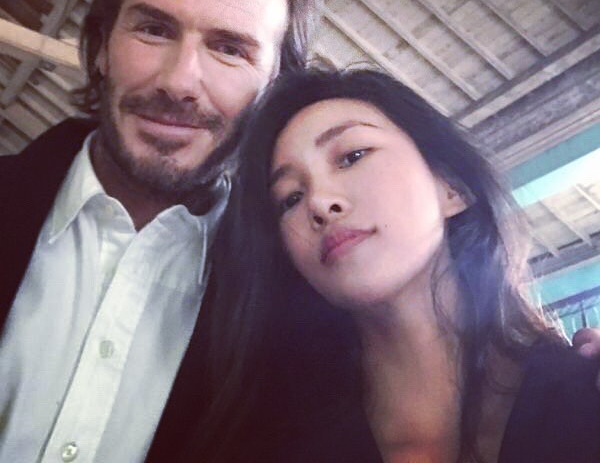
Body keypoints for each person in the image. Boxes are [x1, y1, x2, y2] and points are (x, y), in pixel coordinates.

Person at [0, 0, 319, 463]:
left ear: (275, 89)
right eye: (153, 29)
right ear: (101, 46)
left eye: (229, 48)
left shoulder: (293, 319)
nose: (179, 81)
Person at [213, 67, 600, 462]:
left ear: (452, 187)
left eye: (352, 156)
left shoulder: (584, 397)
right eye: (290, 198)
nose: (319, 203)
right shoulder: (275, 446)